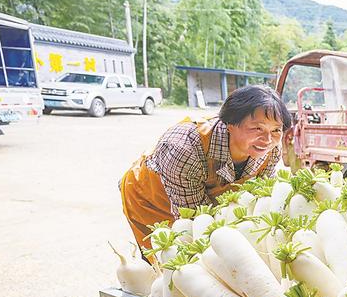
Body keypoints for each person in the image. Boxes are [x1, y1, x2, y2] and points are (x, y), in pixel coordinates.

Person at [120, 84, 290, 249]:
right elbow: (196, 219)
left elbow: (259, 196)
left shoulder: (271, 149)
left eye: (276, 130)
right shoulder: (183, 148)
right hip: (152, 200)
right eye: (257, 128)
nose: (267, 139)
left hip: (199, 198)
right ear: (229, 125)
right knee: (172, 254)